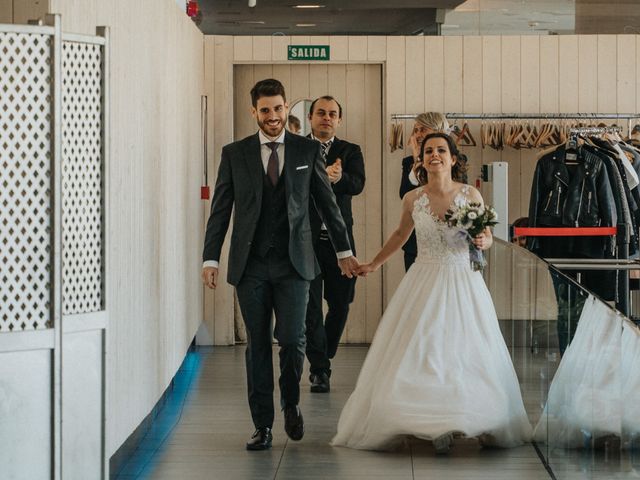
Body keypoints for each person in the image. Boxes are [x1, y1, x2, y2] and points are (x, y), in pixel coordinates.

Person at [332, 133, 532, 453]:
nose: (434, 155)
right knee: (424, 350)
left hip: (462, 280)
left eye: (441, 150)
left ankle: (467, 416)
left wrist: (483, 242)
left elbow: (487, 236)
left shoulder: (470, 195)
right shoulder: (413, 198)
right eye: (428, 151)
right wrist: (374, 263)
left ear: (453, 159)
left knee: (464, 351)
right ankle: (432, 424)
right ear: (421, 159)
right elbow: (400, 234)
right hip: (423, 278)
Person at [201, 79, 359, 451]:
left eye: (278, 109)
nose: (273, 117)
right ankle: (263, 425)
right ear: (253, 111)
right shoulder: (234, 154)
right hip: (250, 266)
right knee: (257, 345)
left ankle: (290, 402)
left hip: (295, 265)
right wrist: (210, 258)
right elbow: (221, 209)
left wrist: (343, 251)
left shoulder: (307, 150)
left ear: (287, 108)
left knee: (291, 339)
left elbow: (327, 205)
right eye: (266, 110)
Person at [304, 96, 366, 393]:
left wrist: (339, 179)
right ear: (310, 118)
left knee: (341, 302)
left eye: (332, 114)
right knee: (311, 307)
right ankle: (319, 369)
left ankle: (323, 353)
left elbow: (358, 184)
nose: (326, 118)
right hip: (307, 242)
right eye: (320, 113)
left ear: (339, 120)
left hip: (340, 241)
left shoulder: (350, 151)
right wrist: (317, 179)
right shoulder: (296, 148)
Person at [399, 112, 450, 271]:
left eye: (423, 129)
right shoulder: (408, 162)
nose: (418, 134)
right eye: (416, 130)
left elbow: (444, 193)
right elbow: (404, 195)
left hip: (447, 243)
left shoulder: (455, 160)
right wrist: (416, 162)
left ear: (438, 131)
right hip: (415, 243)